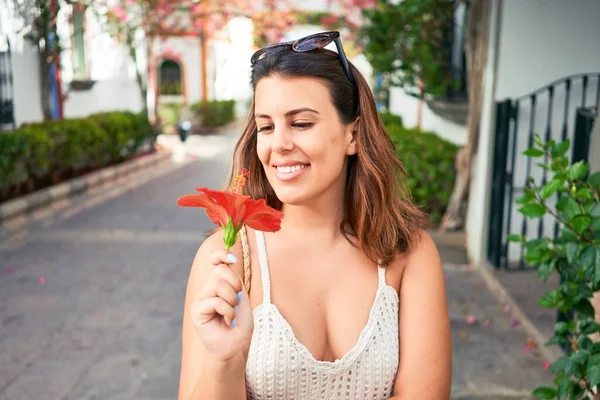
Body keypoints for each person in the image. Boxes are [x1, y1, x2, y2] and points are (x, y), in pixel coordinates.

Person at [178, 31, 452, 400]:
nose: (279, 145)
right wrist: (224, 359)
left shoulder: (409, 253)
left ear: (353, 135)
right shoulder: (228, 261)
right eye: (266, 127)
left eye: (302, 123)